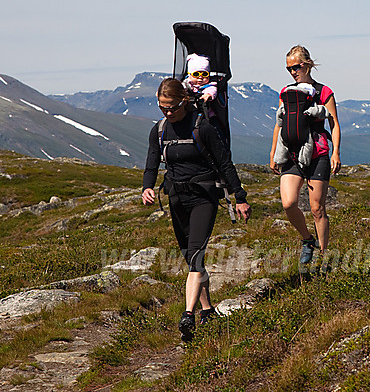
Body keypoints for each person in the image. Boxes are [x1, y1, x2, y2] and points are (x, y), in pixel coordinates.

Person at [142, 78, 250, 342]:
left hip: (203, 197)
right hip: (176, 199)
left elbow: (226, 164)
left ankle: (188, 315)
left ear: (185, 101)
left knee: (196, 258)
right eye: (162, 107)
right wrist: (147, 187)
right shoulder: (159, 130)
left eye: (172, 107)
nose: (168, 113)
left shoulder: (203, 127)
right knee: (191, 258)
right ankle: (207, 310)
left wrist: (240, 196)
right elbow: (152, 164)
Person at [269, 45, 341, 266]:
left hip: (318, 153)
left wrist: (336, 152)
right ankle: (307, 240)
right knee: (289, 203)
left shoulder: (324, 92)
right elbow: (279, 124)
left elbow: (334, 124)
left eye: (296, 67)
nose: (292, 71)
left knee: (317, 207)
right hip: (291, 152)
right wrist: (273, 153)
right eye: (288, 68)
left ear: (307, 64)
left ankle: (323, 256)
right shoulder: (286, 92)